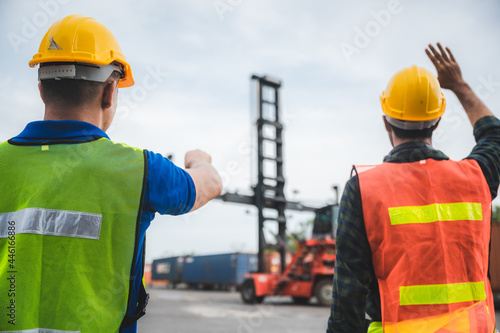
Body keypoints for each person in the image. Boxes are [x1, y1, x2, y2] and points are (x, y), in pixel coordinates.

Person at [0, 14, 222, 333]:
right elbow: (209, 183)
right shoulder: (141, 170)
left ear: (41, 89)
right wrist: (198, 159)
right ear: (109, 91)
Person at [327, 43, 500, 333]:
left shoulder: (364, 189)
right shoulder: (475, 177)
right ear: (438, 119)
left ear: (386, 122)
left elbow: (348, 294)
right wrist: (459, 86)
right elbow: (493, 136)